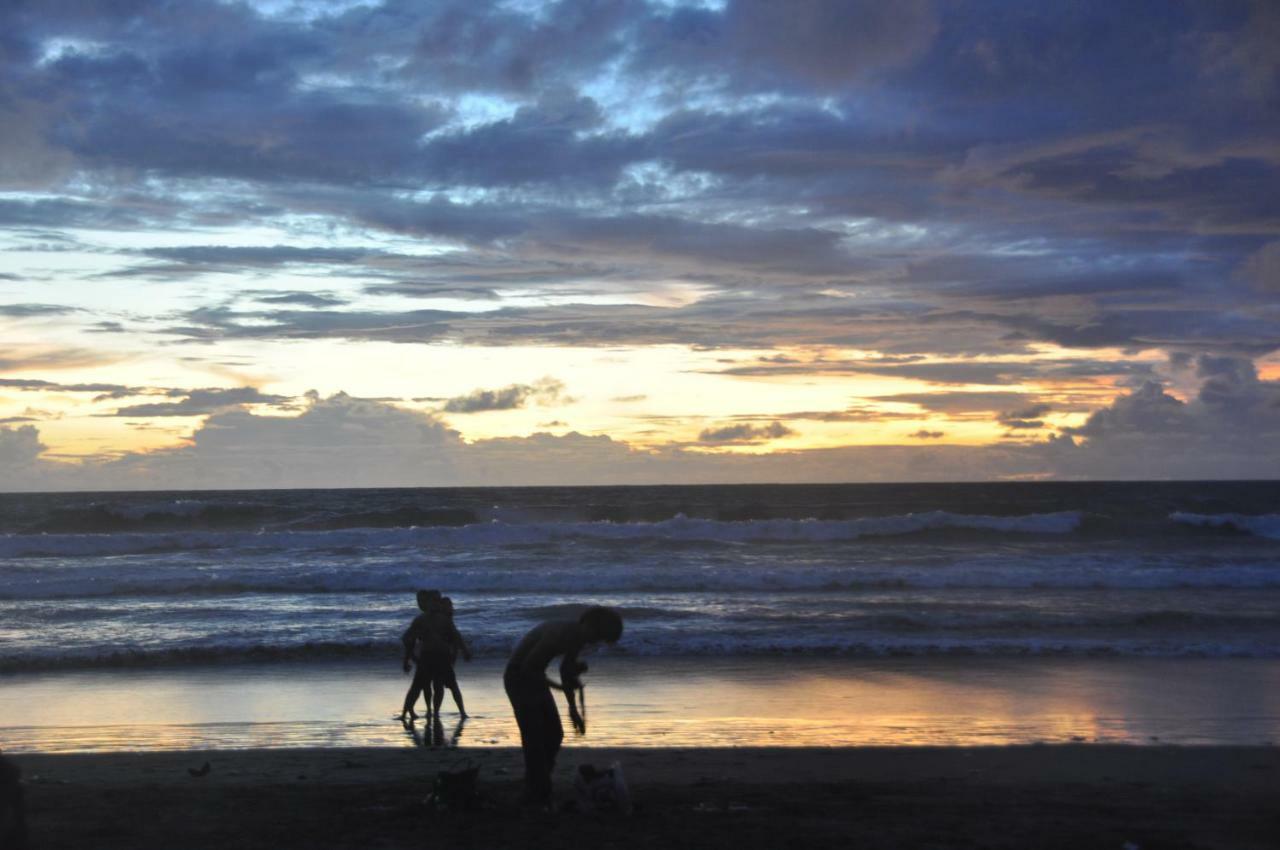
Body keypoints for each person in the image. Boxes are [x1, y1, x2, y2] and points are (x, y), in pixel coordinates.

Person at [504, 606, 623, 808]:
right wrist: (559, 688)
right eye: (598, 636)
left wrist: (573, 709)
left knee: (554, 734)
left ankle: (538, 782)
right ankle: (536, 789)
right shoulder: (561, 633)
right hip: (518, 678)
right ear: (592, 625)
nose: (594, 641)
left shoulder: (578, 636)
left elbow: (566, 671)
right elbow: (527, 667)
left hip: (534, 678)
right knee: (534, 738)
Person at [399, 589, 441, 723]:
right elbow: (407, 639)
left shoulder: (439, 618)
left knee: (429, 686)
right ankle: (408, 712)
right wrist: (409, 658)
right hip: (425, 658)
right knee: (420, 687)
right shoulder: (421, 620)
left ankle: (430, 711)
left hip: (434, 656)